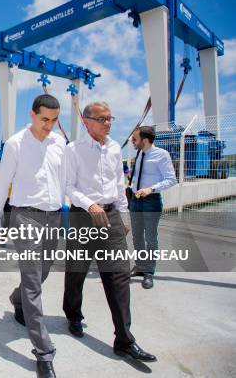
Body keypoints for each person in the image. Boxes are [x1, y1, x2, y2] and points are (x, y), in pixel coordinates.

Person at [63, 101, 157, 362]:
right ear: (87, 121)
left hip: (112, 216)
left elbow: (119, 184)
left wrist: (123, 215)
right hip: (83, 215)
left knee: (118, 276)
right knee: (76, 272)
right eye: (103, 119)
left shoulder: (115, 147)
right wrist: (90, 204)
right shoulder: (74, 150)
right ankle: (73, 315)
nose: (108, 123)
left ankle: (124, 340)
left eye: (110, 118)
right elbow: (68, 187)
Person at [0, 94, 65, 378]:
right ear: (32, 115)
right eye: (45, 119)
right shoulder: (15, 144)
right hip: (26, 216)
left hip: (55, 217)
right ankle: (44, 352)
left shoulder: (60, 143)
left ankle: (16, 298)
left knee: (41, 275)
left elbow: (66, 180)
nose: (50, 126)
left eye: (55, 120)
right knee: (33, 284)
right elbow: (3, 183)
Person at [129, 125, 177, 288]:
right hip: (135, 200)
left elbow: (171, 179)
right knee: (136, 236)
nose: (132, 141)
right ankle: (140, 266)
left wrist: (151, 189)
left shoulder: (162, 155)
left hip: (151, 201)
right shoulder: (139, 153)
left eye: (135, 139)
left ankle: (149, 271)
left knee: (150, 238)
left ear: (145, 140)